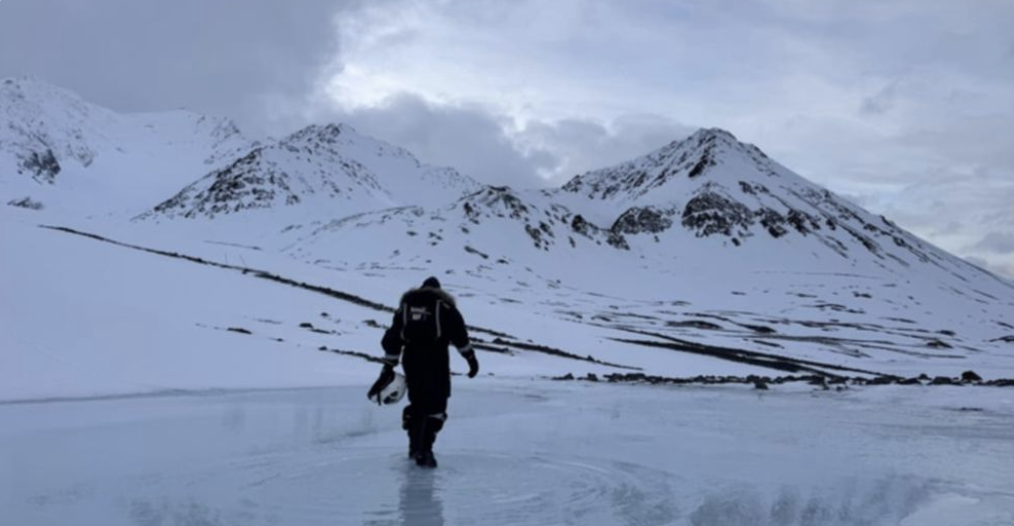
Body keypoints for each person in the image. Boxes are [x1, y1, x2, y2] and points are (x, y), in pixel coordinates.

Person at [379, 276, 480, 468]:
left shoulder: (406, 307)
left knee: (418, 402)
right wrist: (471, 359)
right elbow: (460, 335)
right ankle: (426, 450)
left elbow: (393, 337)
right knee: (437, 405)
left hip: (412, 360)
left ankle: (414, 444)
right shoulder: (445, 307)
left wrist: (389, 364)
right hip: (436, 359)